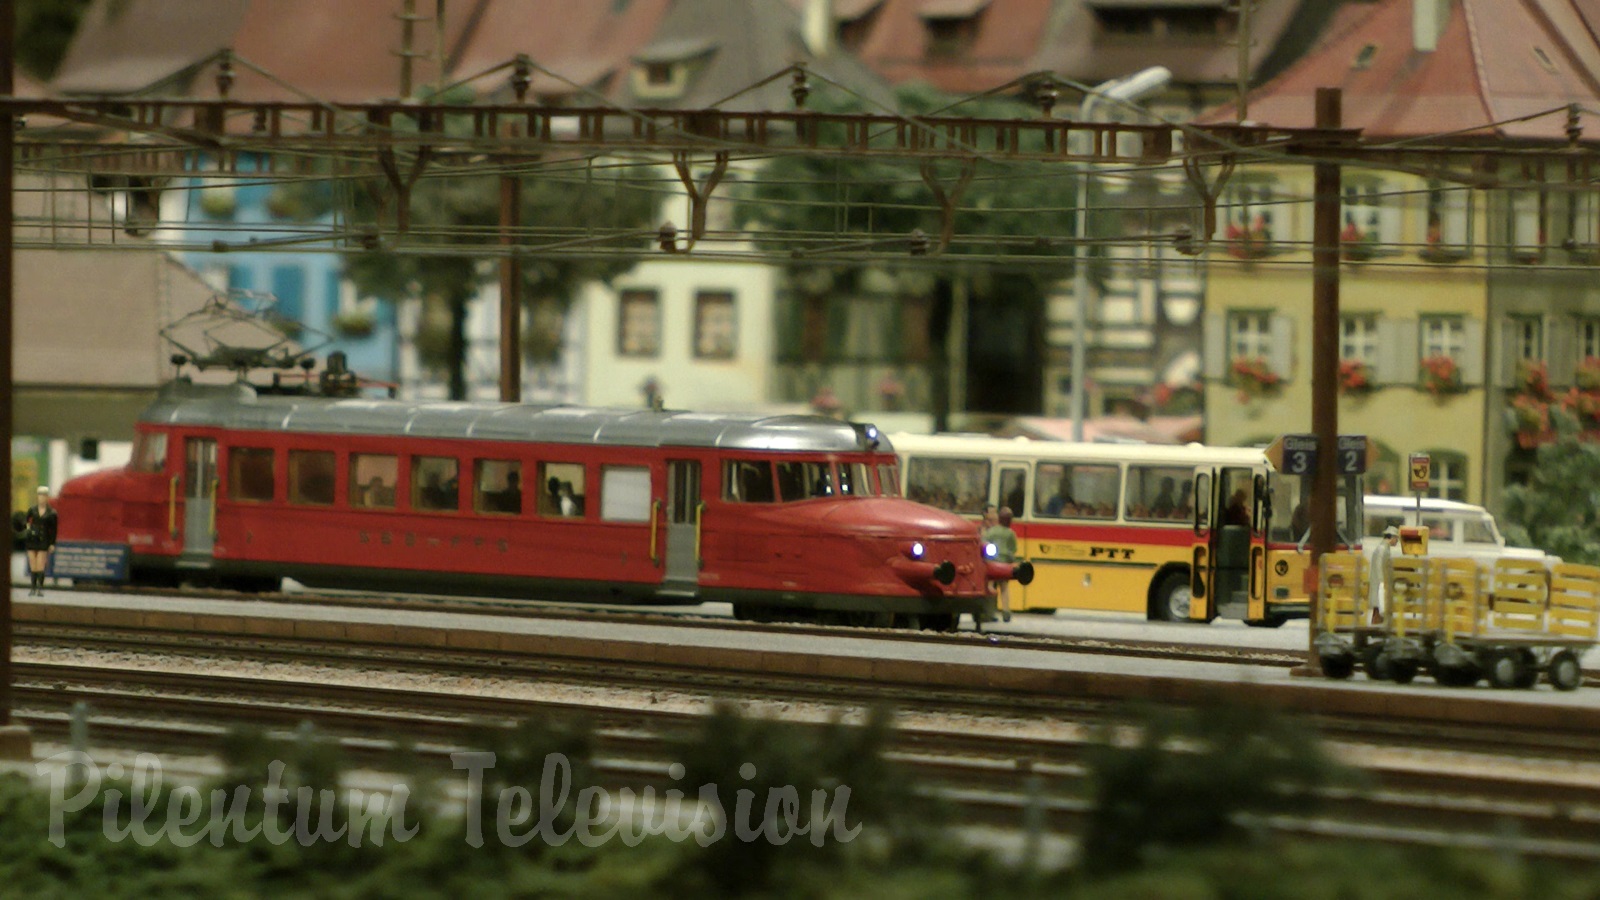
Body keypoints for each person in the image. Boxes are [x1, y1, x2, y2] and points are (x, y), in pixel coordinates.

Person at [980, 506, 1019, 622]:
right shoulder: (1010, 533)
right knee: (1004, 588)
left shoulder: (992, 531)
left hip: (991, 563)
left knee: (990, 586)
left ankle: (989, 611)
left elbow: (984, 543)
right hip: (1005, 564)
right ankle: (1006, 611)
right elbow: (1013, 549)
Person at [18, 486, 58, 596]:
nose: (42, 498)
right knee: (33, 565)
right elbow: (26, 521)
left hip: (43, 540)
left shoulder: (52, 513)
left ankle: (39, 588)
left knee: (40, 565)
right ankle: (33, 588)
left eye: (44, 496)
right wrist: (28, 528)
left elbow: (53, 530)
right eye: (40, 495)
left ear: (47, 497)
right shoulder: (32, 510)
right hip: (32, 539)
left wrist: (52, 543)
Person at [1368, 525, 1399, 623]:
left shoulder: (1384, 548)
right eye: (1396, 539)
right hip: (1379, 584)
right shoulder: (1382, 549)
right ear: (1392, 537)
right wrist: (1382, 581)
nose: (1397, 541)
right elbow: (1378, 566)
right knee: (1379, 606)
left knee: (1380, 607)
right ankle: (1377, 625)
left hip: (1381, 583)